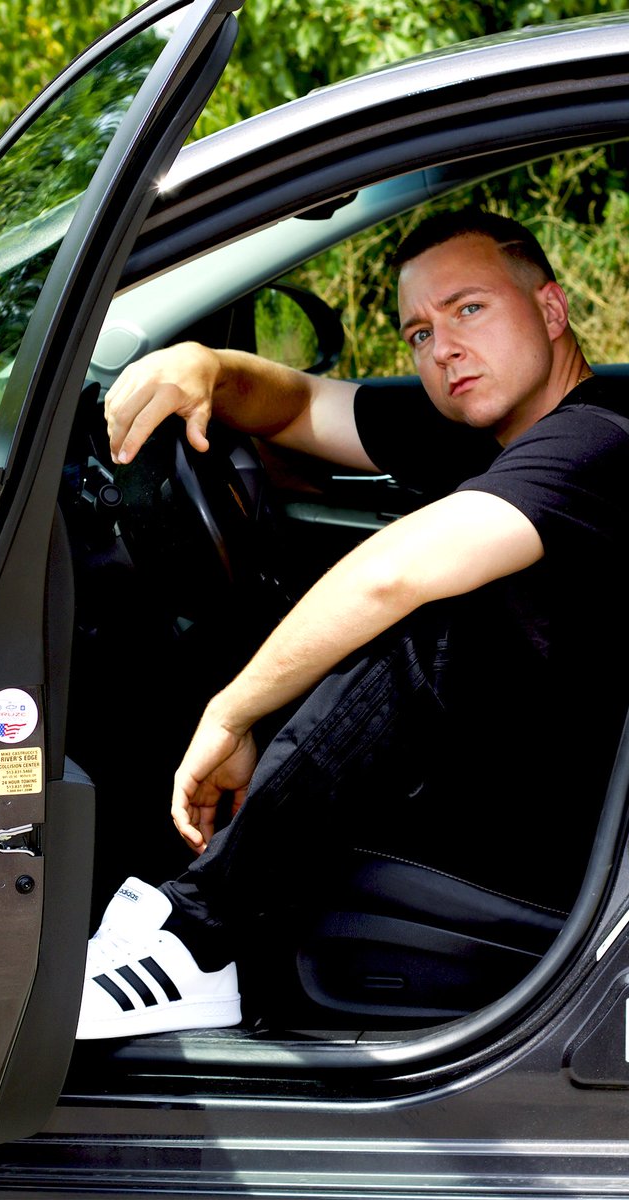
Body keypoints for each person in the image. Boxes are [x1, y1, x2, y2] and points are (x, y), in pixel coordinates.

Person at [75, 209, 629, 1040]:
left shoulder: (598, 440)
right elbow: (299, 404)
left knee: (430, 621)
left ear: (551, 311)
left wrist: (232, 712)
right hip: (523, 776)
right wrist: (205, 368)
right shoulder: (484, 427)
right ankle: (164, 911)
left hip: (571, 843)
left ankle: (194, 940)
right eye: (417, 332)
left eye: (469, 309)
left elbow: (396, 572)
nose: (441, 348)